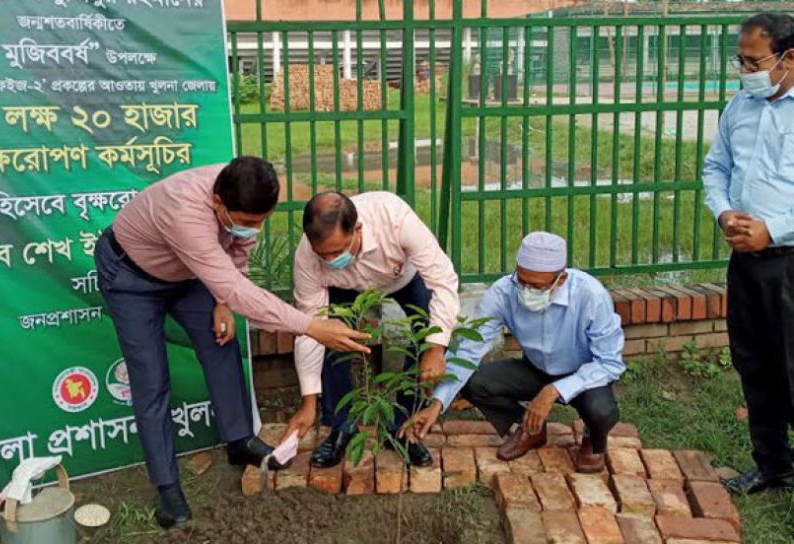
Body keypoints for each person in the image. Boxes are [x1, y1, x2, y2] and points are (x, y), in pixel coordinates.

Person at [95, 158, 369, 528]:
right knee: (150, 379)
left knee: (221, 342)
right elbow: (236, 288)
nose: (255, 229)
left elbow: (237, 254)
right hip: (133, 278)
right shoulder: (185, 212)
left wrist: (222, 303)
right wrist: (310, 326)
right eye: (248, 222)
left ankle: (239, 441)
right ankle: (168, 489)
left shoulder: (246, 189)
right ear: (217, 203)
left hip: (189, 275)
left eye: (261, 220)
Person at [405, 232, 625, 473]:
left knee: (601, 410)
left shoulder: (591, 296)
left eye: (537, 286)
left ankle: (593, 439)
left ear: (561, 279)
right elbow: (469, 350)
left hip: (582, 374)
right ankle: (529, 428)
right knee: (476, 382)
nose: (526, 290)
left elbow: (609, 363)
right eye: (522, 280)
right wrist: (437, 404)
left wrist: (553, 391)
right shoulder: (503, 292)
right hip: (535, 369)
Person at [282, 191, 460, 468]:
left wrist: (436, 348)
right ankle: (341, 427)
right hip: (344, 288)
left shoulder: (394, 217)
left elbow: (443, 280)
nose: (330, 259)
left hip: (403, 278)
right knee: (329, 337)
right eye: (323, 254)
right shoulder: (307, 256)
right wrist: (308, 401)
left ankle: (402, 426)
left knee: (429, 330)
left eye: (337, 251)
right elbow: (310, 326)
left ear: (358, 229)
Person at [702, 12, 794, 495]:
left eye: (754, 61)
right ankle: (773, 466)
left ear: (788, 58)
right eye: (740, 60)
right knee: (754, 364)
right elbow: (715, 168)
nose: (745, 70)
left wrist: (772, 229)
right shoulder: (739, 106)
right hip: (746, 264)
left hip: (789, 263)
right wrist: (723, 213)